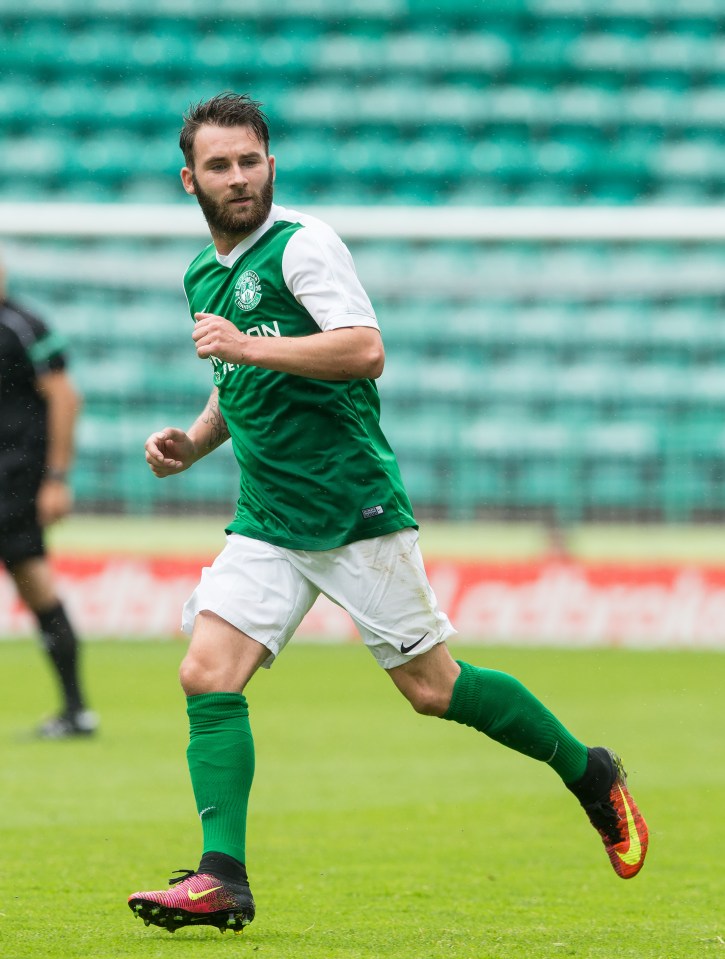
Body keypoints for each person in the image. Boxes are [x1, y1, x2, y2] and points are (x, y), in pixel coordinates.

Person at [128, 93, 648, 935]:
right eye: (218, 166)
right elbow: (238, 384)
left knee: (433, 688)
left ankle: (587, 771)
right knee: (205, 672)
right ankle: (222, 875)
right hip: (267, 516)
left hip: (351, 508)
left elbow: (363, 349)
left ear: (271, 164)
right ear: (189, 179)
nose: (237, 177)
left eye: (250, 160)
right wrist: (192, 442)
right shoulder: (202, 272)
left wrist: (247, 343)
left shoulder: (304, 246)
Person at [0, 259, 97, 739]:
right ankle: (76, 711)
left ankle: (76, 710)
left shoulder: (24, 326)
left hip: (14, 482)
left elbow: (65, 398)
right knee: (34, 582)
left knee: (35, 582)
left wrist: (56, 478)